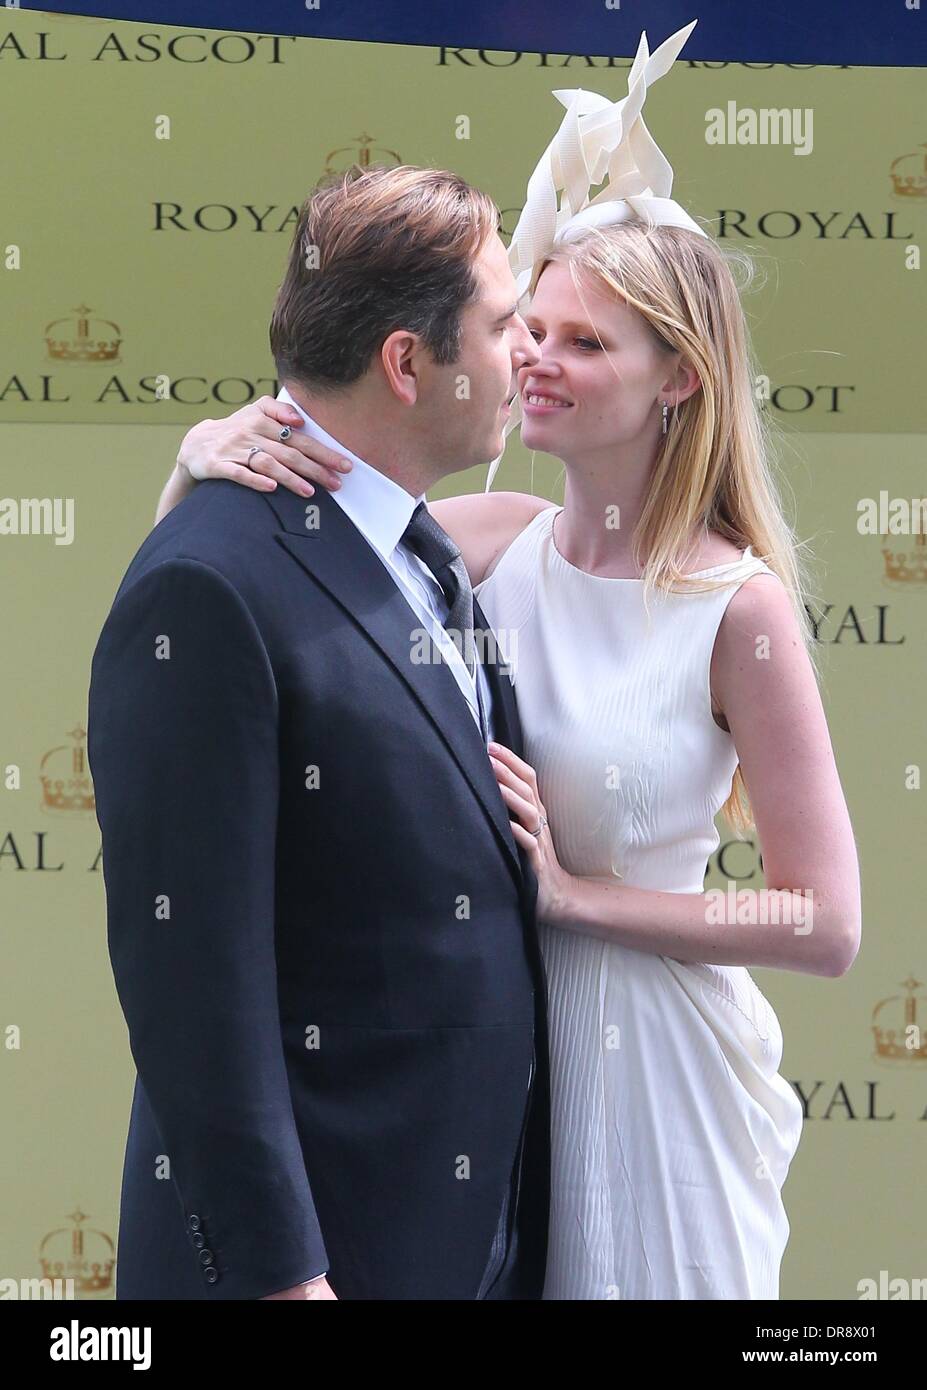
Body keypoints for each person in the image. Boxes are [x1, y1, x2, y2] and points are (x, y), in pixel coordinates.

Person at [156, 22, 862, 1299]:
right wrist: (201, 456)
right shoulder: (481, 543)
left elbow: (821, 920)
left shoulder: (738, 608)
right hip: (508, 1091)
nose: (536, 358)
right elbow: (225, 608)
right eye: (529, 326)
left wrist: (581, 900)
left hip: (662, 1089)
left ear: (681, 381)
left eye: (586, 344)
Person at [88, 162, 553, 1301]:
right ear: (407, 363)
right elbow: (191, 985)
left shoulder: (420, 549)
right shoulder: (207, 581)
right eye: (504, 327)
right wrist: (283, 1277)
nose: (529, 354)